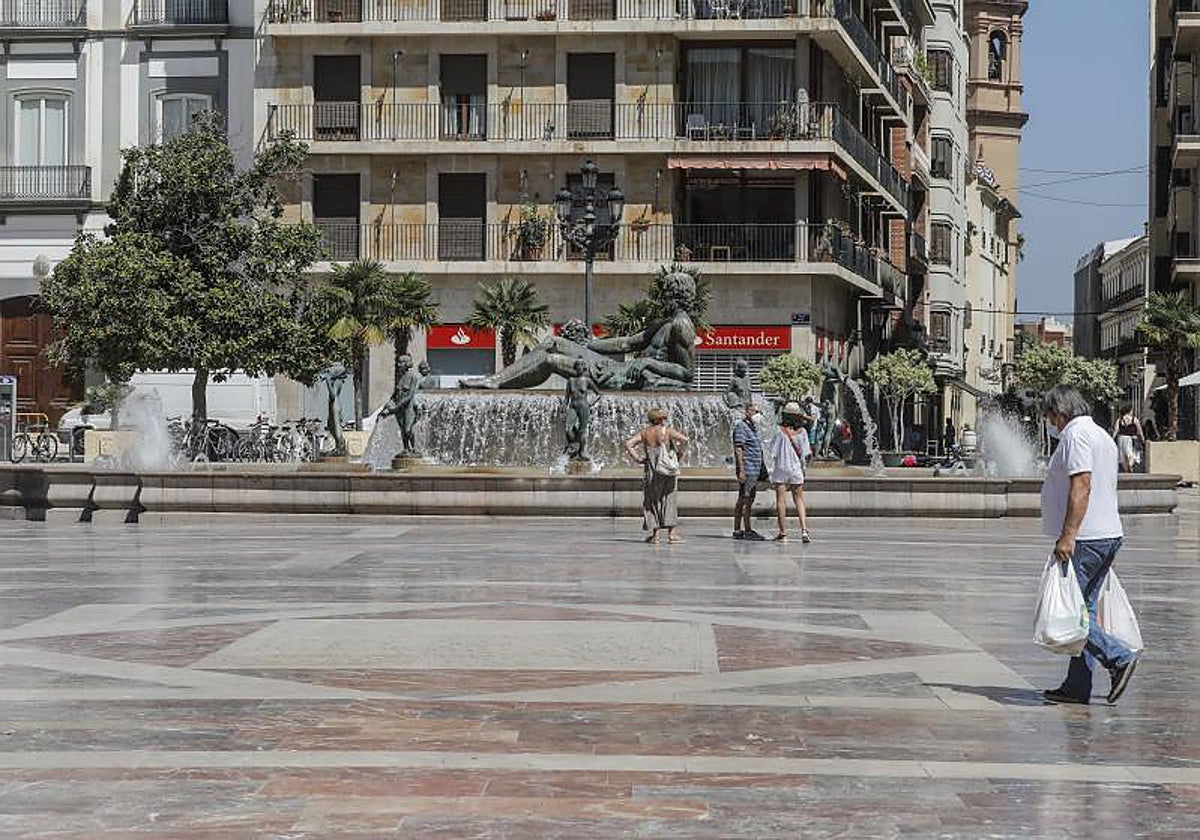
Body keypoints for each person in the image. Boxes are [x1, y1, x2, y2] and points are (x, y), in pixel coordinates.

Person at [1040, 384, 1137, 706]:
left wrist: (1068, 535)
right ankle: (1077, 686)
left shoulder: (1076, 435)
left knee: (1071, 614)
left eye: (1052, 416)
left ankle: (1118, 658)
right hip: (1107, 533)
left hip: (1086, 538)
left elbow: (1081, 485)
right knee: (1086, 609)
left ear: (1061, 411)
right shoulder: (1099, 435)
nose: (1052, 423)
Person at [624, 407, 688, 544]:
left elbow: (628, 444)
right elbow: (684, 440)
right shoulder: (667, 431)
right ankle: (672, 533)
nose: (666, 420)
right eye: (664, 418)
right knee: (669, 499)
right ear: (659, 419)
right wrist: (679, 455)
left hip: (651, 471)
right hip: (667, 470)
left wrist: (638, 459)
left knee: (652, 501)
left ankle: (656, 535)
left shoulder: (644, 433)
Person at [770, 402, 812, 543]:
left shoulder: (779, 431)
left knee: (781, 501)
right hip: (796, 468)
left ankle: (783, 533)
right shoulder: (803, 432)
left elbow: (773, 452)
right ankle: (804, 530)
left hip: (781, 467)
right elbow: (806, 453)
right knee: (799, 499)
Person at [732, 401, 766, 540]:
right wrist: (741, 470)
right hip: (748, 468)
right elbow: (738, 448)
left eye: (758, 412)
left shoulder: (752, 427)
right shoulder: (741, 426)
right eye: (754, 411)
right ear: (747, 412)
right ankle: (742, 529)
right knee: (745, 498)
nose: (757, 414)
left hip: (755, 468)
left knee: (749, 498)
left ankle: (744, 529)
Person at [1111, 406, 1146, 473]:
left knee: (1122, 455)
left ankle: (1126, 470)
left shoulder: (1119, 420)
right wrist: (1142, 439)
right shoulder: (1134, 419)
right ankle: (1130, 464)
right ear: (1129, 411)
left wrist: (1112, 439)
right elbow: (1139, 430)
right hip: (1131, 438)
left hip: (1121, 438)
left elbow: (1116, 430)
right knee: (1132, 453)